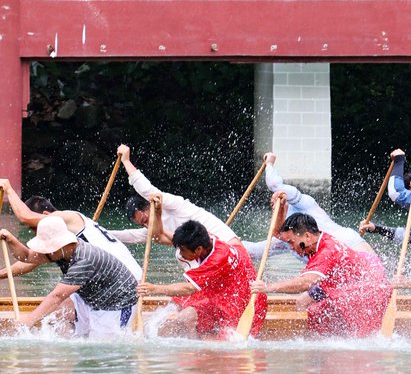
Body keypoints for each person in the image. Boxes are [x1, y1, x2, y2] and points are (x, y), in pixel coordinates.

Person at [251, 212, 391, 337]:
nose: (291, 248)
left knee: (322, 313)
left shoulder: (326, 251)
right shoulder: (313, 239)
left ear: (307, 236)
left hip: (366, 286)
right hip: (341, 279)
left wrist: (268, 287)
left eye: (291, 243)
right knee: (306, 305)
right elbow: (278, 234)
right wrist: (281, 207)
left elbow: (305, 283)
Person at [0, 216, 138, 338]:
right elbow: (28, 256)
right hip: (90, 297)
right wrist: (11, 240)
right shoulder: (61, 251)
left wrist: (29, 320)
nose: (45, 251)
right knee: (59, 314)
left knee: (101, 350)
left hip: (116, 305)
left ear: (59, 245)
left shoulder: (84, 259)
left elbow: (57, 295)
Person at [137, 220, 267, 339]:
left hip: (244, 302)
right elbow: (162, 237)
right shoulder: (204, 239)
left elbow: (188, 288)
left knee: (228, 351)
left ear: (198, 250)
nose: (181, 254)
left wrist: (154, 289)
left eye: (182, 250)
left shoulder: (216, 259)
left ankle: (202, 352)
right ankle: (196, 349)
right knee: (183, 316)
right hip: (221, 294)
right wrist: (157, 217)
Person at [0, 178, 141, 280]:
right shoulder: (59, 238)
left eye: (33, 227)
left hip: (124, 275)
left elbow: (25, 216)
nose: (34, 233)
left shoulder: (65, 217)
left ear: (46, 216)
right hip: (111, 276)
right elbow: (30, 259)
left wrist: (8, 188)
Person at [243, 152, 375, 259]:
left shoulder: (304, 204)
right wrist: (227, 240)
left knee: (375, 280)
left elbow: (274, 185)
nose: (274, 205)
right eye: (272, 204)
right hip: (329, 259)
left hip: (348, 243)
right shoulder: (286, 237)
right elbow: (256, 251)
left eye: (276, 201)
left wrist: (269, 163)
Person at [109, 145, 239, 248]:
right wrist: (93, 231)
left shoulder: (171, 204)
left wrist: (126, 161)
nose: (147, 226)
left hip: (228, 243)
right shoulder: (155, 231)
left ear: (150, 204)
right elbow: (131, 236)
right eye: (142, 225)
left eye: (145, 220)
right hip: (211, 252)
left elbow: (147, 190)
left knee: (254, 251)